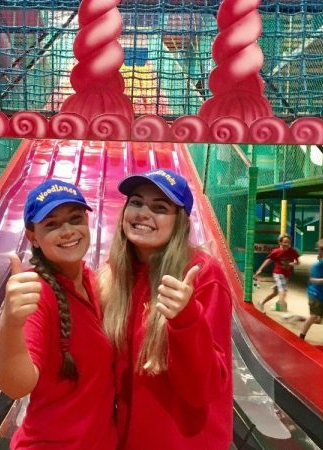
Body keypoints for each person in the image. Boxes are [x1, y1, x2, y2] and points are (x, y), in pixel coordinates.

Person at [99, 169, 233, 450]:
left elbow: (203, 389)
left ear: (179, 222)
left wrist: (186, 319)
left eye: (159, 208)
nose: (143, 213)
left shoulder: (202, 275)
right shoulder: (115, 277)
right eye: (136, 202)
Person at [0, 179, 116, 450]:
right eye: (52, 224)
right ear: (32, 237)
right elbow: (17, 385)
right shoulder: (37, 293)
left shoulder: (91, 281)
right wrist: (11, 323)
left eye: (75, 218)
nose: (68, 231)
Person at [254, 234, 300, 312]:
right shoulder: (276, 251)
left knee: (276, 292)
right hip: (278, 273)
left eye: (288, 242)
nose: (287, 244)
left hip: (286, 274)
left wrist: (292, 264)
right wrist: (260, 269)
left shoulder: (292, 251)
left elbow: (297, 262)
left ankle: (262, 302)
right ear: (280, 243)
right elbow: (268, 260)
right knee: (283, 289)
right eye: (285, 242)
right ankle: (282, 306)